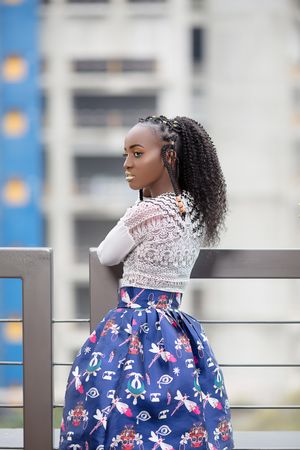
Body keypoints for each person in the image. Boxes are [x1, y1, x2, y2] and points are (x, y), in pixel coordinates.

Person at [58, 115, 235, 449]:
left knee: (108, 404)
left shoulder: (146, 212)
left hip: (133, 328)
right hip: (178, 333)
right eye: (126, 154)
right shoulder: (194, 212)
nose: (127, 163)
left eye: (137, 154)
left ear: (168, 157)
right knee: (184, 412)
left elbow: (108, 254)